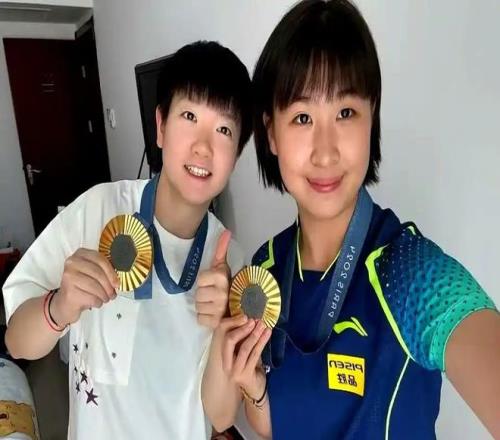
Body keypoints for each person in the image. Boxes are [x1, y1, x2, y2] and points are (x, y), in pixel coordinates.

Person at [202, 2, 500, 438]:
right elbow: (264, 423)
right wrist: (254, 387)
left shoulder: (407, 270)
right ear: (271, 134)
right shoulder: (266, 270)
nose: (325, 152)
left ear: (371, 118)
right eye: (302, 117)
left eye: (345, 113)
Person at [3, 40, 252, 439]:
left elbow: (221, 418)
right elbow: (17, 343)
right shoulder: (96, 210)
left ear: (236, 155)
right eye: (189, 116)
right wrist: (60, 305)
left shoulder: (232, 265)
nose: (204, 146)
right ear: (161, 126)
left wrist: (224, 328)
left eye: (224, 129)